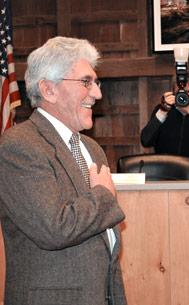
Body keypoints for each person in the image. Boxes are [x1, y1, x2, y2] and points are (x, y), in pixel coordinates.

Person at [0, 37, 127, 305]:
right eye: (85, 82)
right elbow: (54, 228)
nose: (97, 93)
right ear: (49, 90)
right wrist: (103, 194)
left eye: (96, 82)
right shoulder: (18, 146)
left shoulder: (92, 148)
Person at [140, 73, 189, 175]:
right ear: (173, 93)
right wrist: (163, 111)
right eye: (180, 92)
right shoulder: (162, 111)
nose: (184, 97)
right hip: (164, 176)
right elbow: (145, 141)